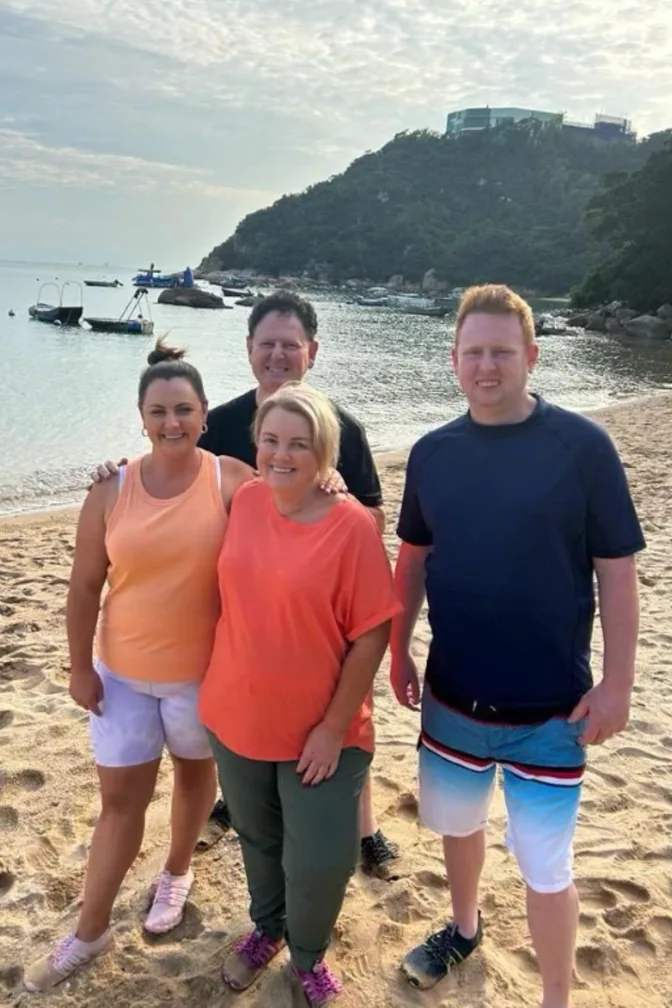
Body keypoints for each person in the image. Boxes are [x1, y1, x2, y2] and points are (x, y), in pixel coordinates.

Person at [390, 284, 644, 1008]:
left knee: (544, 866)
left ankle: (555, 996)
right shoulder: (432, 453)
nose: (486, 366)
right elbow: (411, 559)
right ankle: (463, 927)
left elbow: (617, 574)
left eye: (501, 351)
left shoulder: (582, 448)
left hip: (550, 710)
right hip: (450, 696)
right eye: (473, 352)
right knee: (458, 828)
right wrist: (397, 647)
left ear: (531, 356)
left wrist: (617, 684)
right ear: (452, 360)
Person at [93, 290, 399, 878]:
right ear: (249, 350)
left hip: (315, 607)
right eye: (268, 345)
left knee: (342, 714)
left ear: (312, 351)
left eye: (291, 345)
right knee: (244, 713)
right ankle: (237, 803)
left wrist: (329, 499)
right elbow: (174, 464)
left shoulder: (340, 431)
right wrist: (117, 472)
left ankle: (365, 826)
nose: (279, 355)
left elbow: (372, 522)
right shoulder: (225, 423)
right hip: (239, 606)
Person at [25, 342, 254, 993]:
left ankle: (175, 873)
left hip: (201, 677)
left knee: (192, 779)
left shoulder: (232, 481)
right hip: (120, 674)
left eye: (183, 409)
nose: (171, 422)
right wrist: (77, 668)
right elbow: (81, 587)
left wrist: (324, 479)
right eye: (159, 411)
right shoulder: (110, 487)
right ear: (141, 415)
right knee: (118, 804)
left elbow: (293, 518)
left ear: (204, 413)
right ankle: (89, 930)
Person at [200, 381, 402, 1006]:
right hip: (235, 712)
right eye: (270, 441)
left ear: (325, 455)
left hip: (323, 727)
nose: (282, 454)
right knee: (258, 840)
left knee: (319, 858)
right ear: (256, 445)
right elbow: (171, 460)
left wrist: (334, 726)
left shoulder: (350, 525)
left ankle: (308, 954)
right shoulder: (246, 501)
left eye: (299, 444)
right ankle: (267, 930)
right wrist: (112, 471)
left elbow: (373, 633)